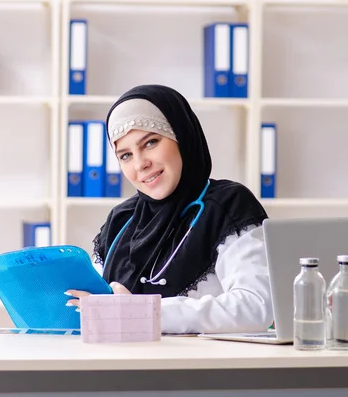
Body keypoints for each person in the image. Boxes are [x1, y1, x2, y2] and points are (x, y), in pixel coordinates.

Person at [66, 84, 273, 334]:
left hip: (198, 369)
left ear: (182, 137)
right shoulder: (122, 220)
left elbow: (257, 307)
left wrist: (142, 312)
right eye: (125, 155)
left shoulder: (227, 205)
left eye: (150, 142)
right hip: (118, 366)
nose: (141, 164)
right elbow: (96, 305)